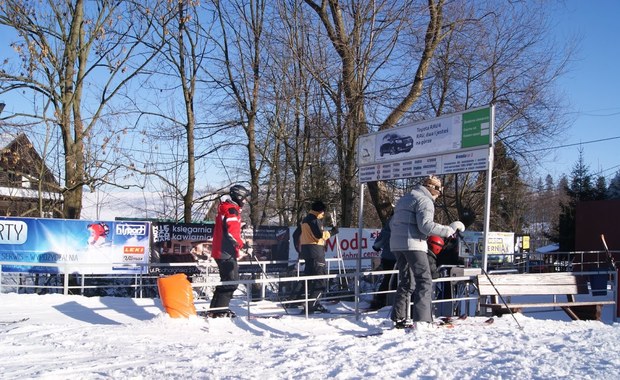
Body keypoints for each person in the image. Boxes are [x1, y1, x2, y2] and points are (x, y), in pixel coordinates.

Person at [389, 175, 465, 329]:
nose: (438, 196)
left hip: (396, 244)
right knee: (424, 280)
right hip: (414, 244)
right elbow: (426, 226)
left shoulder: (405, 198)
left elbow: (392, 223)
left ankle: (399, 318)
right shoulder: (425, 200)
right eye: (438, 192)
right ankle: (422, 320)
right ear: (433, 189)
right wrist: (448, 230)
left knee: (406, 281)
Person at [208, 184, 251, 318]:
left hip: (222, 250)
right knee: (231, 281)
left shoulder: (228, 208)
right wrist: (242, 245)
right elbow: (231, 233)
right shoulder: (231, 210)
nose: (245, 201)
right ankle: (219, 311)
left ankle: (216, 310)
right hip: (225, 251)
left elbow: (229, 227)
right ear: (238, 197)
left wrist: (241, 226)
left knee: (227, 280)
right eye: (244, 198)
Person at [298, 200, 338, 313]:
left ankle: (300, 301)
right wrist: (332, 232)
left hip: (307, 251)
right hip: (316, 252)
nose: (323, 215)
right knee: (320, 279)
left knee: (310, 278)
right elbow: (319, 235)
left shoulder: (305, 219)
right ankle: (312, 305)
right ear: (320, 211)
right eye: (323, 212)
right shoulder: (315, 220)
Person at [369, 214, 396, 310]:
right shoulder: (396, 220)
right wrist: (377, 246)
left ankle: (384, 299)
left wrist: (377, 246)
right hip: (392, 256)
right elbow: (384, 236)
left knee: (389, 279)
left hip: (389, 255)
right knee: (390, 279)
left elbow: (382, 237)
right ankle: (383, 299)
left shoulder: (392, 221)